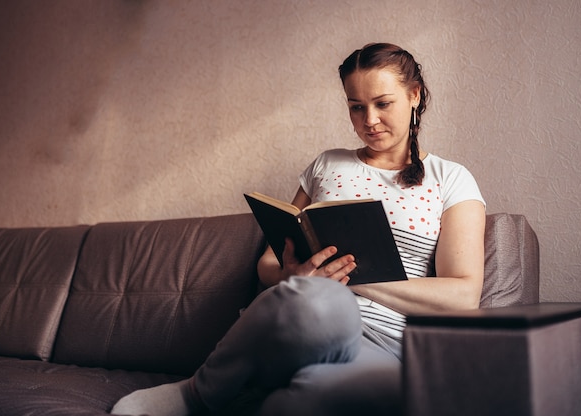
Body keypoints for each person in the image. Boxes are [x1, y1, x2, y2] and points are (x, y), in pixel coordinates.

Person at [111, 42, 486, 416]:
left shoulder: (450, 179)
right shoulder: (327, 165)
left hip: (386, 343)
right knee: (318, 303)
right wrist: (294, 276)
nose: (369, 120)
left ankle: (262, 392)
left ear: (414, 95)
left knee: (314, 395)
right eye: (356, 107)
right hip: (308, 315)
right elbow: (269, 264)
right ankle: (197, 394)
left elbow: (463, 294)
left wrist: (354, 277)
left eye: (382, 103)